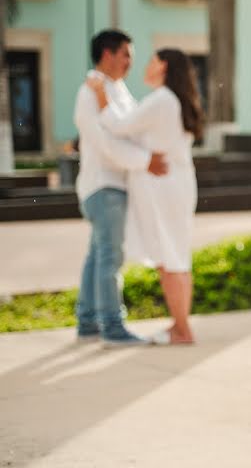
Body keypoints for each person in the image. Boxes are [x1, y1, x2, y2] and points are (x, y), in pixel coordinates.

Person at [87, 48, 203, 345]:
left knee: (170, 258)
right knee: (177, 256)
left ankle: (181, 329)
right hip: (175, 184)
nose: (143, 65)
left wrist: (101, 93)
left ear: (163, 65)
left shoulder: (162, 100)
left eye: (151, 60)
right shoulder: (174, 100)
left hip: (162, 187)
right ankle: (181, 326)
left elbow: (119, 126)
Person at [74, 29, 168, 347]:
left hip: (112, 186)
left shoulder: (114, 89)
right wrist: (146, 161)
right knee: (110, 258)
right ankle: (112, 327)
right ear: (107, 54)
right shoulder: (90, 92)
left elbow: (130, 128)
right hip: (104, 186)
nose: (130, 61)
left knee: (97, 255)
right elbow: (107, 145)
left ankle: (87, 322)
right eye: (126, 53)